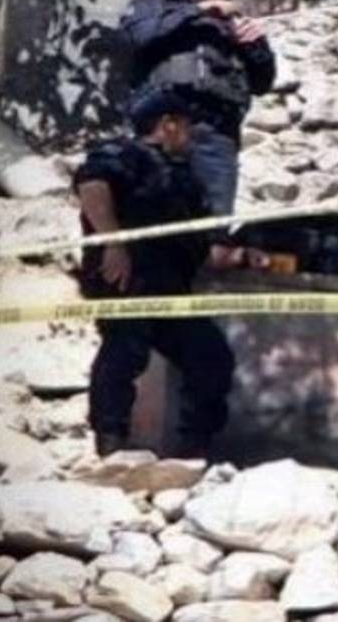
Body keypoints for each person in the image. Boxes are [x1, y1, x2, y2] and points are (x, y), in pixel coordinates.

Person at [76, 88, 235, 458]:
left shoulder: (184, 176)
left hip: (170, 286)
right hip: (126, 279)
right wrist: (114, 244)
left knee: (210, 356)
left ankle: (194, 449)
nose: (191, 137)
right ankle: (110, 442)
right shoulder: (124, 154)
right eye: (187, 127)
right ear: (169, 125)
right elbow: (91, 186)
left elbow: (199, 236)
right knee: (125, 350)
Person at [121, 0, 276, 266]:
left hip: (217, 130)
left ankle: (203, 282)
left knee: (214, 229)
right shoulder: (153, 4)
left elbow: (263, 82)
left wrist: (255, 45)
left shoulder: (232, 19)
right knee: (150, 215)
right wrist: (200, 10)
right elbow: (139, 37)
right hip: (163, 125)